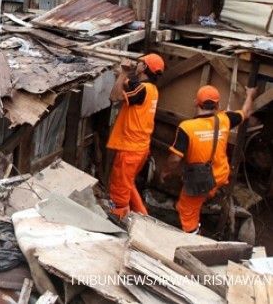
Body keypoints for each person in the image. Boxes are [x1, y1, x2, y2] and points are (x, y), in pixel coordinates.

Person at [164, 85, 257, 234]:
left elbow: (175, 159)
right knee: (193, 200)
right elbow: (246, 112)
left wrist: (165, 172)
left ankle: (193, 236)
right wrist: (250, 94)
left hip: (202, 179)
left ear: (196, 102)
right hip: (220, 175)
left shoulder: (187, 127)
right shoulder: (225, 119)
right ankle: (203, 200)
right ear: (218, 105)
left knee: (186, 211)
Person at [107, 53, 165, 220]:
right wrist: (122, 76)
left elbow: (115, 97)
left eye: (140, 62)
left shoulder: (142, 89)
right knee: (128, 184)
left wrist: (124, 72)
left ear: (145, 67)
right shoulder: (152, 89)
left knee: (119, 190)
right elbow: (131, 85)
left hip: (130, 150)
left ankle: (118, 220)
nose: (137, 64)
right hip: (141, 148)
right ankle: (145, 218)